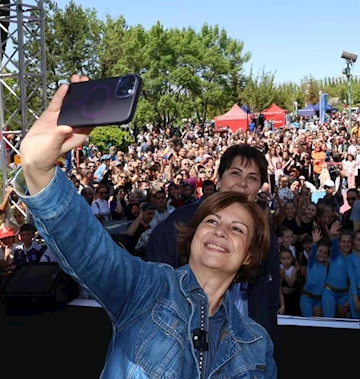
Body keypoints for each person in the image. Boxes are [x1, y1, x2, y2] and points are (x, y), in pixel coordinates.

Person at [14, 75, 276, 378]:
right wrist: (38, 167)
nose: (221, 231)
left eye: (237, 229)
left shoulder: (257, 345)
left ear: (249, 255)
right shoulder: (145, 289)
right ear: (190, 236)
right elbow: (89, 250)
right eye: (212, 221)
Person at [145, 144, 280, 339]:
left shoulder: (265, 237)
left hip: (243, 348)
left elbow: (268, 300)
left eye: (252, 178)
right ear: (219, 178)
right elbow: (156, 280)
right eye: (235, 173)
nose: (242, 183)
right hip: (181, 338)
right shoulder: (181, 222)